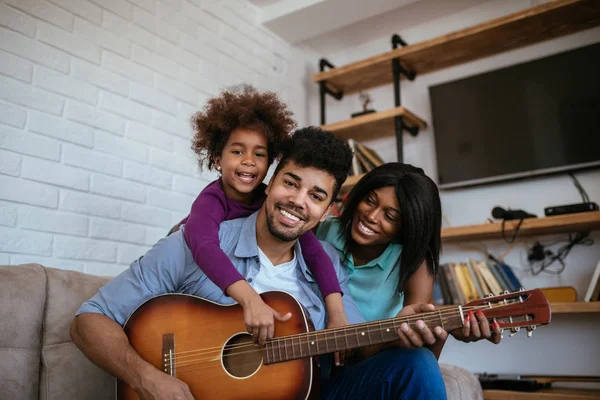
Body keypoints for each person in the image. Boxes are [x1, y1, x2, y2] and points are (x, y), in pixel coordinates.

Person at [70, 128, 447, 399]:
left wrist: (424, 334)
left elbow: (357, 347)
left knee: (417, 366)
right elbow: (90, 319)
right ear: (269, 183)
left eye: (315, 195)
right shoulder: (194, 243)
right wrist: (147, 379)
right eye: (291, 183)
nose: (298, 201)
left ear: (329, 210)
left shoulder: (328, 264)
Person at [173, 87, 349, 348]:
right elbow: (204, 246)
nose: (248, 162)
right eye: (237, 151)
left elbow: (314, 252)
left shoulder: (270, 201)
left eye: (259, 154)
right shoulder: (210, 201)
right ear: (216, 159)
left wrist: (337, 314)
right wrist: (250, 299)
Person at [316, 162, 502, 357]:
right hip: (308, 349)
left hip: (369, 357)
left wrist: (444, 330)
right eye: (370, 201)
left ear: (408, 227)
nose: (371, 216)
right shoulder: (321, 229)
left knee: (420, 360)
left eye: (390, 216)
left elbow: (419, 344)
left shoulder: (414, 262)